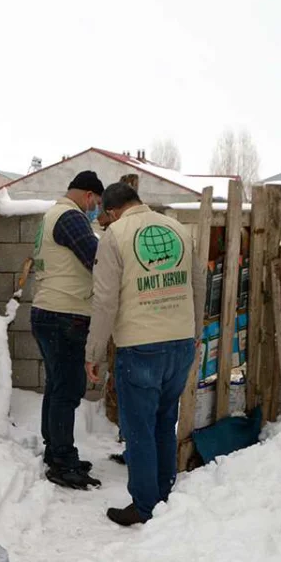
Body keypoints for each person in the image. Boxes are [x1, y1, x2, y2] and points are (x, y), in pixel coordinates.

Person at [85, 182, 197, 526]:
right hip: (181, 342)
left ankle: (145, 505)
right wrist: (193, 333)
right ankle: (163, 496)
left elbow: (105, 301)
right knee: (165, 421)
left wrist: (94, 354)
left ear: (114, 210)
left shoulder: (115, 236)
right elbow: (198, 284)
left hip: (141, 345)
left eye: (105, 213)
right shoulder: (179, 229)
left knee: (139, 429)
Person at [31, 170, 105, 490]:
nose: (96, 210)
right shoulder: (71, 217)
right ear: (89, 195)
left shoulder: (52, 215)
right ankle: (62, 460)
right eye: (97, 203)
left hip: (48, 311)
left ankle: (55, 449)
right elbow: (96, 258)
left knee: (57, 384)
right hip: (65, 313)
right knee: (68, 388)